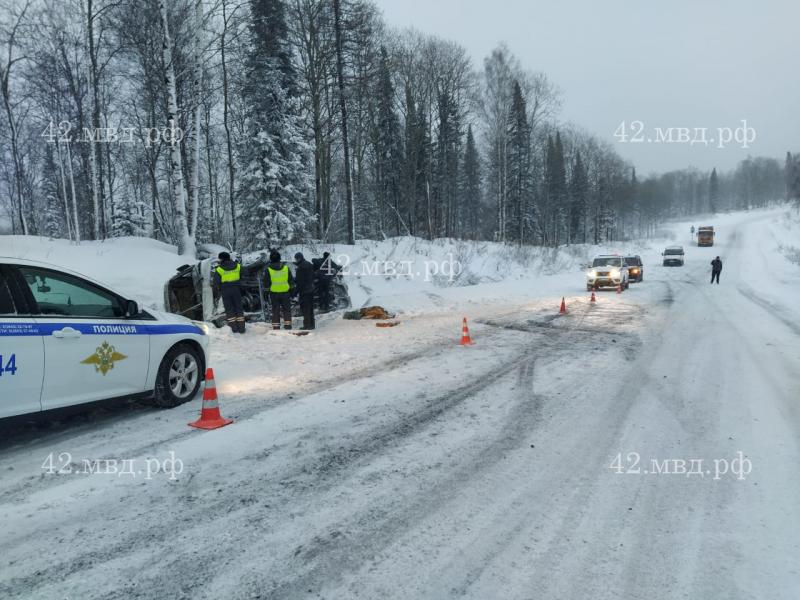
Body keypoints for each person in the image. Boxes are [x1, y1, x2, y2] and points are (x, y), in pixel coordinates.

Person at [211, 252, 245, 333]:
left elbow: (215, 283)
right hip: (236, 289)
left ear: (222, 259)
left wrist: (219, 290)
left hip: (225, 291)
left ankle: (234, 328)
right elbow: (244, 273)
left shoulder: (219, 269)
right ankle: (242, 328)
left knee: (229, 309)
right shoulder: (237, 266)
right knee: (239, 308)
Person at [265, 250, 294, 330]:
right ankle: (288, 326)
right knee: (287, 310)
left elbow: (266, 284)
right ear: (280, 258)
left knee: (275, 310)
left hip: (274, 294)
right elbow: (291, 281)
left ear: (271, 259)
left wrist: (266, 294)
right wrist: (292, 291)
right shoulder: (286, 268)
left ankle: (276, 327)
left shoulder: (268, 270)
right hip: (285, 293)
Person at [293, 252, 316, 330]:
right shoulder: (309, 264)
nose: (295, 260)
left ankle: (307, 325)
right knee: (310, 308)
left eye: (296, 259)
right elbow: (313, 275)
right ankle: (312, 325)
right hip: (311, 289)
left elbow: (300, 282)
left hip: (304, 291)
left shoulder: (300, 268)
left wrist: (295, 292)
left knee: (305, 309)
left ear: (299, 258)